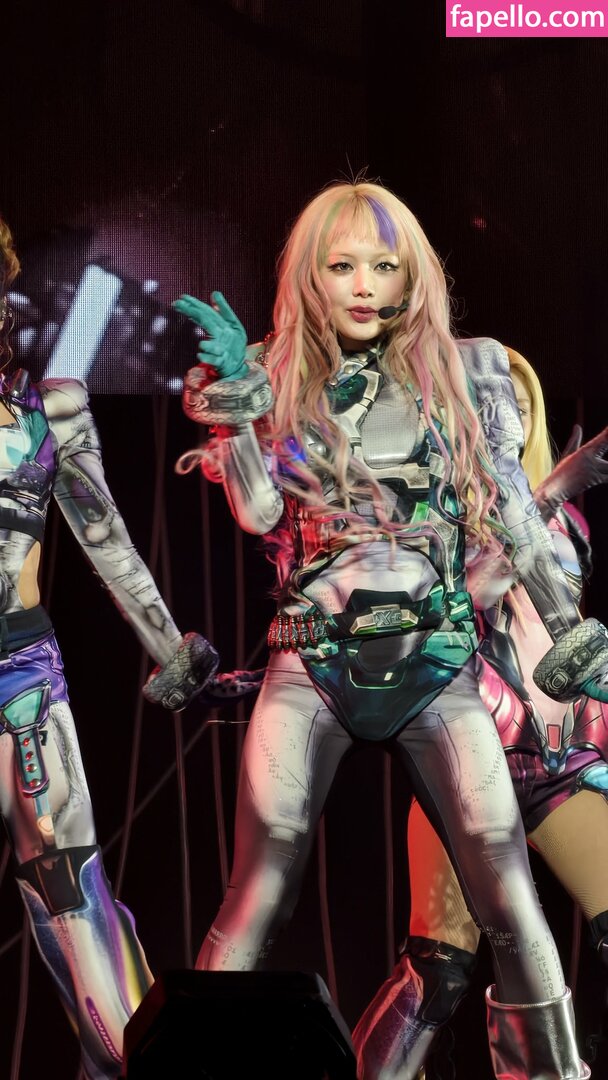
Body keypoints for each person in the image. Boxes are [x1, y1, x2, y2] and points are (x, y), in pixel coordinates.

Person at [175, 180, 608, 1079]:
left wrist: (573, 634)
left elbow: (513, 522)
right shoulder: (269, 373)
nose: (366, 284)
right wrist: (242, 405)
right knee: (258, 890)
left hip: (438, 665)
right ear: (312, 276)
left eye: (385, 265)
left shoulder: (469, 369)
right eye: (343, 266)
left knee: (510, 901)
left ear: (413, 278)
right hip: (312, 664)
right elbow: (257, 513)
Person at [0, 214, 229, 1080]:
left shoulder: (47, 409)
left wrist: (175, 651)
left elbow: (110, 544)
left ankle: (141, 1067)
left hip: (18, 678)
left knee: (69, 889)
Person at [352, 350, 608, 1080]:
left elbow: (560, 627)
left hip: (562, 759)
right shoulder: (424, 514)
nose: (506, 419)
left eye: (519, 406)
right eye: (489, 405)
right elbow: (464, 599)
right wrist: (548, 493)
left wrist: (547, 499)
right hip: (466, 764)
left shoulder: (570, 524)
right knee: (439, 971)